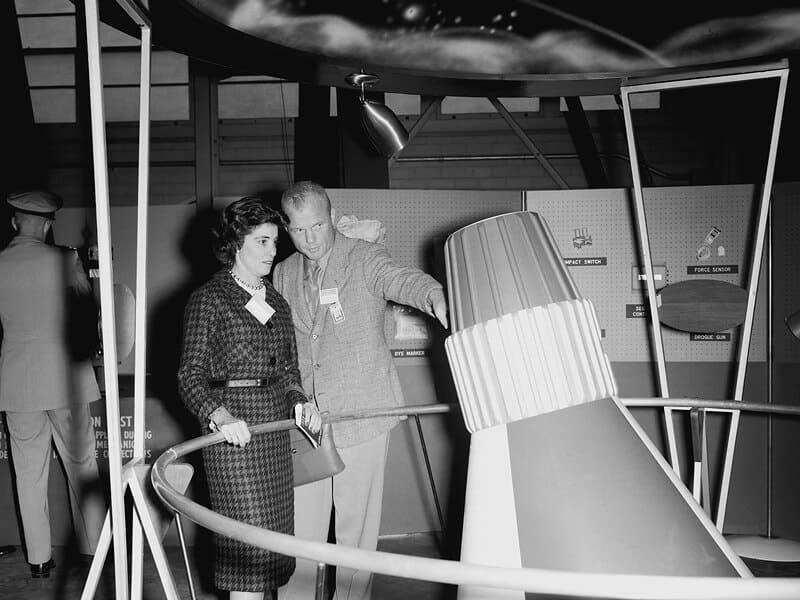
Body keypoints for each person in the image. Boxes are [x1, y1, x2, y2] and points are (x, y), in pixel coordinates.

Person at [273, 181, 448, 600]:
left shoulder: (363, 257)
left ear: (331, 218)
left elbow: (399, 279)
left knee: (356, 534)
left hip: (363, 412)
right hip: (305, 422)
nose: (310, 239)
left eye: (317, 226)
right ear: (286, 228)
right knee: (299, 532)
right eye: (298, 230)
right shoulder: (282, 272)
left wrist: (434, 294)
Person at [178, 196, 321, 600]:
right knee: (247, 553)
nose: (272, 251)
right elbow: (190, 376)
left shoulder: (276, 300)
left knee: (273, 551)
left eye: (275, 242)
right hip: (233, 440)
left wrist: (301, 401)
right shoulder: (210, 298)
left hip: (272, 436)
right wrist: (218, 415)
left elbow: (289, 371)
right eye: (262, 242)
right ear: (235, 243)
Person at [0, 189, 105, 578]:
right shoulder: (65, 259)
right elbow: (87, 316)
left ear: (14, 222)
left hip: (17, 383)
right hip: (65, 381)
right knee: (82, 466)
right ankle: (94, 551)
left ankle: (40, 561)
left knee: (27, 474)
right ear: (47, 225)